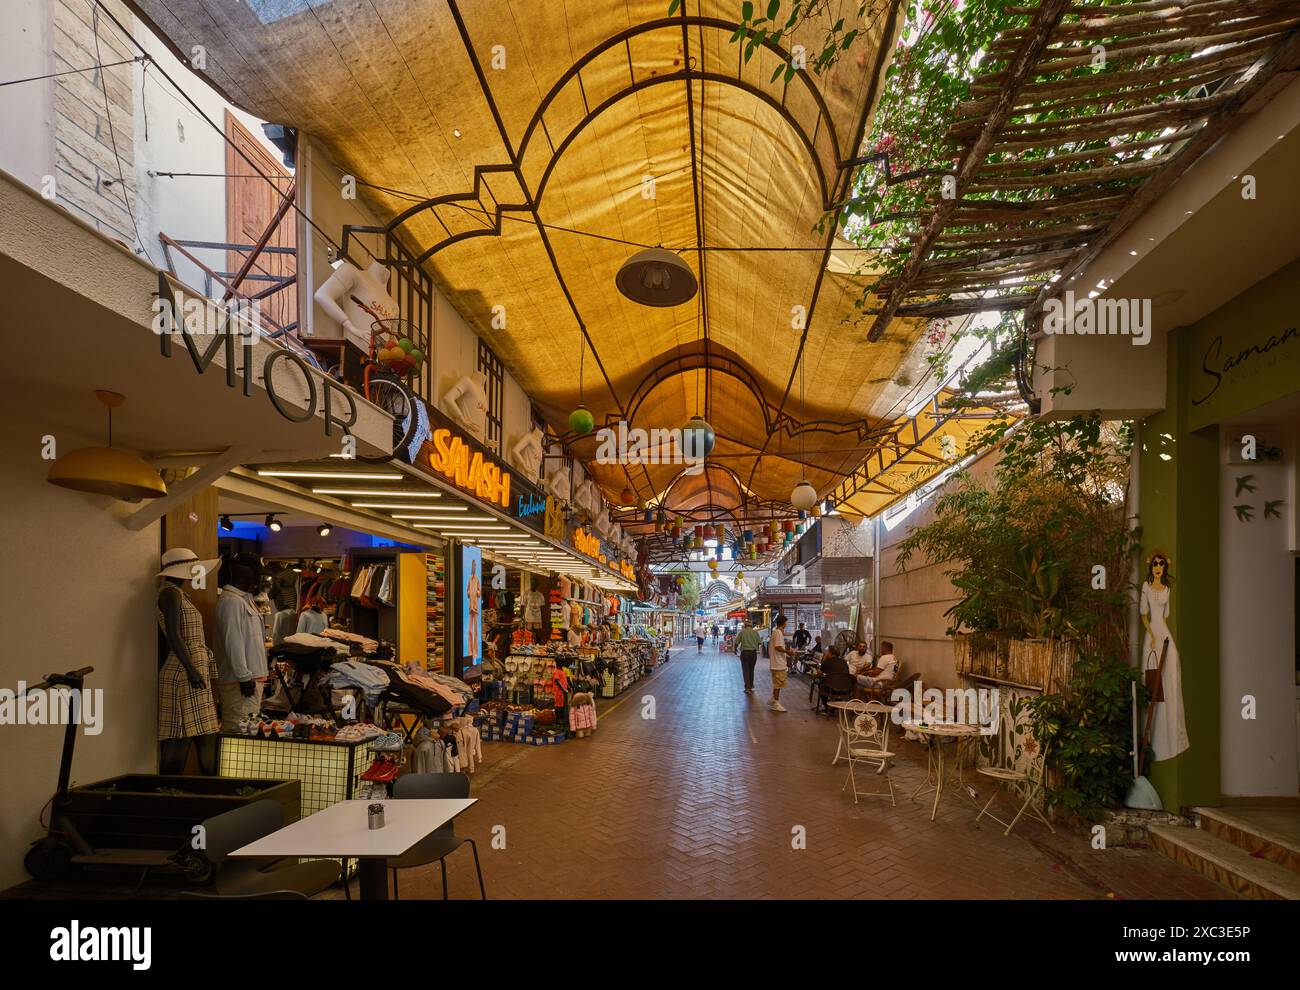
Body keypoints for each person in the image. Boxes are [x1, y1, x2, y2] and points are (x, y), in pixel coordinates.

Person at [768, 614, 791, 712]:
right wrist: (788, 652)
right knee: (778, 684)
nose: (787, 623)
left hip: (777, 663)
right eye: (786, 622)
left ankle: (773, 699)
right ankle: (776, 703)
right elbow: (778, 647)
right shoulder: (778, 633)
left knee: (777, 683)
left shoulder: (777, 632)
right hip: (778, 663)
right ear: (783, 622)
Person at [816, 646, 849, 713]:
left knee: (821, 685)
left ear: (830, 653)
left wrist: (823, 660)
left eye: (827, 652)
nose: (825, 653)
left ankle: (828, 708)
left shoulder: (827, 662)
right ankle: (835, 707)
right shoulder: (844, 662)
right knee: (835, 684)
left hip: (832, 689)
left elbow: (819, 674)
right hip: (845, 689)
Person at [734, 618, 762, 694]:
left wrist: (735, 650)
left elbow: (736, 642)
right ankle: (751, 685)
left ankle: (747, 688)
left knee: (746, 670)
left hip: (745, 653)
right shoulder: (755, 633)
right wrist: (753, 644)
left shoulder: (742, 632)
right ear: (751, 626)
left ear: (745, 626)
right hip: (753, 653)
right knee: (751, 669)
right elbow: (760, 643)